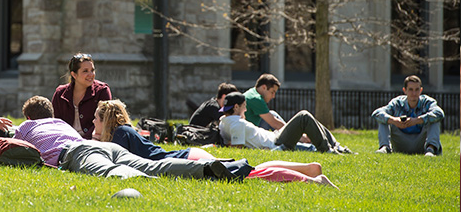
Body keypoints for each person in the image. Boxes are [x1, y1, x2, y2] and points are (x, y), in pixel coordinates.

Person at [93, 99, 338, 187]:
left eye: (95, 119)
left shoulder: (120, 135)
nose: (93, 123)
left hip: (187, 160)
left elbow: (122, 167)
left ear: (106, 120)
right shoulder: (124, 131)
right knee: (251, 170)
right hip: (189, 155)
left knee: (248, 175)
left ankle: (311, 179)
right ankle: (307, 169)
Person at [13, 96, 252, 181]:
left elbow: (10, 146)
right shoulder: (60, 124)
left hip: (77, 153)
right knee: (154, 165)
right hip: (95, 147)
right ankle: (209, 169)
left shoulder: (26, 126)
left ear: (28, 116)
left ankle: (150, 183)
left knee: (109, 171)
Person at [219, 92, 353, 154]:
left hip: (274, 136)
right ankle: (327, 149)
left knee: (310, 120)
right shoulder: (237, 124)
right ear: (236, 107)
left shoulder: (223, 122)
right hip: (275, 143)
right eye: (244, 106)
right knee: (304, 116)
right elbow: (237, 150)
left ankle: (336, 146)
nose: (246, 109)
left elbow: (228, 143)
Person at [371, 75, 444, 156]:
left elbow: (439, 113)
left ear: (421, 90)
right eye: (410, 90)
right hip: (400, 141)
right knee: (384, 119)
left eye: (417, 90)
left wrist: (417, 120)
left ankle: (430, 150)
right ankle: (385, 147)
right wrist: (394, 120)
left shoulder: (427, 102)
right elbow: (377, 113)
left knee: (434, 120)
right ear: (404, 90)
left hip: (421, 142)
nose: (414, 93)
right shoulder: (397, 103)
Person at [52, 53, 112, 139]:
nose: (91, 74)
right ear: (74, 75)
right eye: (85, 71)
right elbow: (55, 122)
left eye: (92, 70)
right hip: (65, 142)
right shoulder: (60, 93)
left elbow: (104, 121)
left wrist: (84, 141)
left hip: (94, 141)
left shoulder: (102, 91)